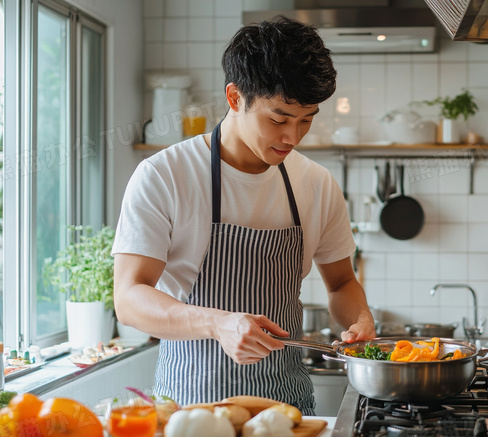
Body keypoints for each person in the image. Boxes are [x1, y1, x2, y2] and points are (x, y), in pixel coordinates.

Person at [111, 16, 375, 415]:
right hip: (190, 410)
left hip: (287, 411)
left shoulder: (317, 184)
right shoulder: (165, 175)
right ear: (235, 98)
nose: (293, 137)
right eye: (279, 119)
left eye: (307, 120)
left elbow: (341, 283)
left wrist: (360, 318)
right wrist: (217, 323)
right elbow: (129, 298)